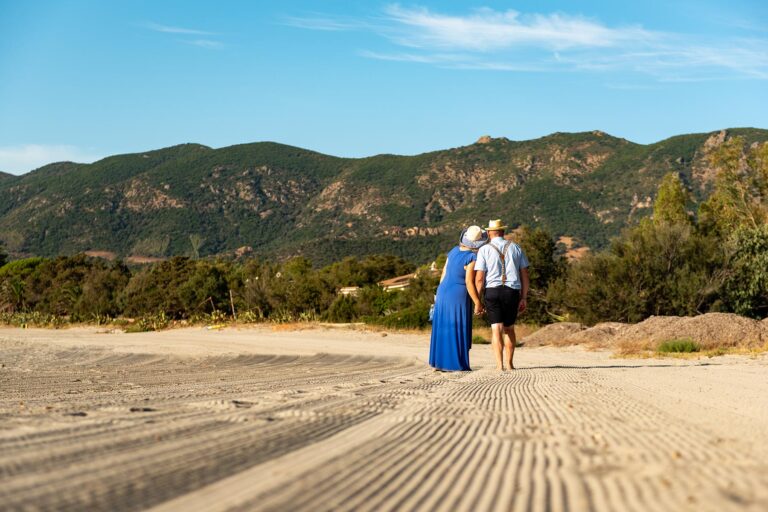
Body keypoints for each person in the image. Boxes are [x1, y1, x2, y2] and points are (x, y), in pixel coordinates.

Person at [429, 225, 487, 371]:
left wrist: (438, 294)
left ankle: (439, 362)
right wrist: (477, 302)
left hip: (442, 291)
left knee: (442, 326)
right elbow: (469, 282)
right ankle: (456, 363)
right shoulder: (472, 257)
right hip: (457, 294)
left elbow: (443, 273)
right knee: (458, 326)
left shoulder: (453, 251)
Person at [474, 219, 530, 371]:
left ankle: (499, 365)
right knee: (509, 328)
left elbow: (479, 279)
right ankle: (510, 364)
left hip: (492, 291)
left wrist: (477, 301)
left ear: (490, 233)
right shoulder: (516, 247)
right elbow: (525, 274)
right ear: (503, 232)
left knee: (496, 329)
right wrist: (524, 297)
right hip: (511, 292)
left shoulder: (484, 250)